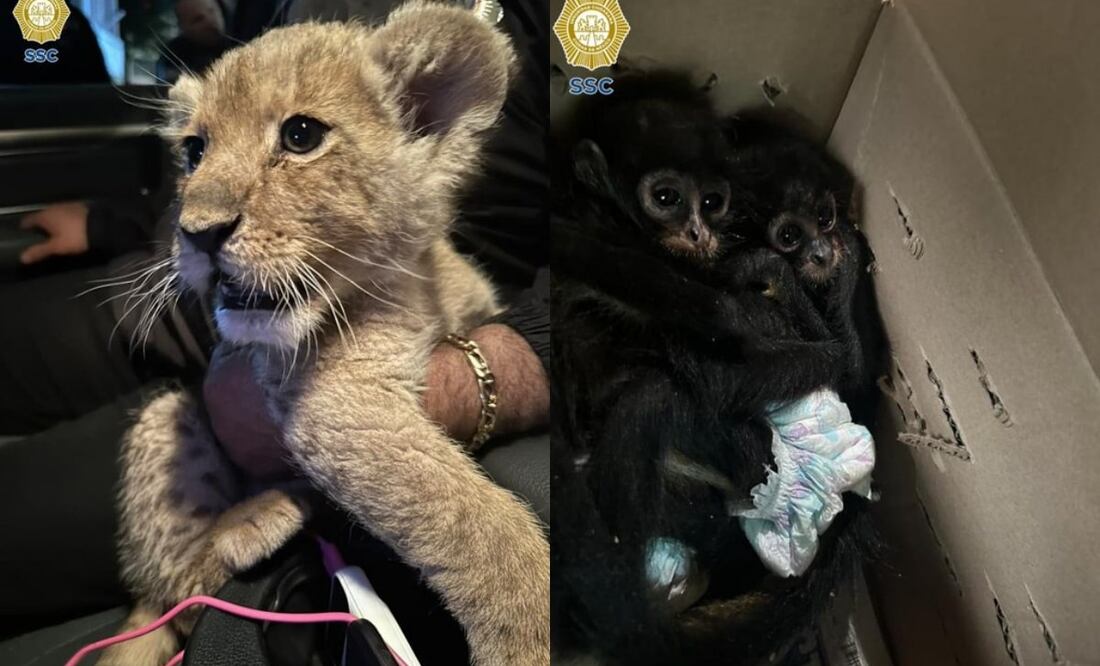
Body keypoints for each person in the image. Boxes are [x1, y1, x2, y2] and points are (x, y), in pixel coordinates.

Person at [0, 0, 549, 656]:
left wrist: (518, 598)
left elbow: (338, 407)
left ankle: (170, 607)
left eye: (300, 136)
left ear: (426, 116)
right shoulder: (262, 29)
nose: (200, 215)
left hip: (337, 304)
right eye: (195, 149)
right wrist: (105, 222)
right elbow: (199, 195)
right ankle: (169, 600)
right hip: (181, 311)